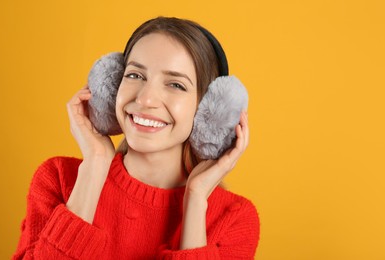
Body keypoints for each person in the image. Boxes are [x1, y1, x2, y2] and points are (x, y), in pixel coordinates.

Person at [13, 17, 260, 259]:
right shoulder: (58, 179)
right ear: (111, 90)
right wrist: (95, 166)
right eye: (135, 75)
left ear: (209, 111)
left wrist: (195, 201)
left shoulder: (235, 218)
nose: (145, 99)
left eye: (175, 85)